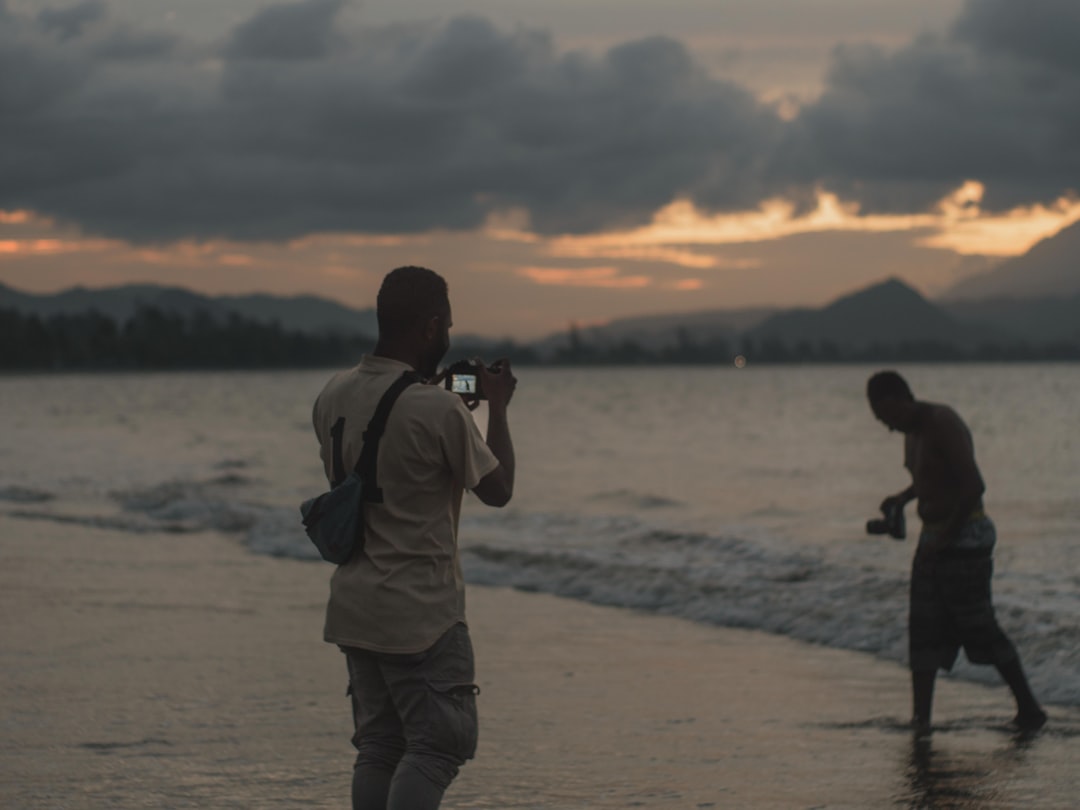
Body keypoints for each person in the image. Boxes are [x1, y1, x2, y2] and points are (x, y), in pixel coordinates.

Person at [311, 266, 516, 809]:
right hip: (421, 614)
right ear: (429, 327)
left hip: (356, 605)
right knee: (437, 746)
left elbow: (386, 460)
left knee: (379, 747)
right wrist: (497, 408)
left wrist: (443, 405)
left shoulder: (332, 394)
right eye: (446, 325)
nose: (449, 336)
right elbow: (498, 489)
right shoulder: (438, 408)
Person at [866, 370, 1046, 735]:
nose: (888, 427)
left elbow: (972, 485)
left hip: (965, 538)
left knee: (979, 626)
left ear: (901, 400)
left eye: (888, 416)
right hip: (933, 539)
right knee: (923, 627)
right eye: (881, 421)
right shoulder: (911, 433)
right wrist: (902, 498)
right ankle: (921, 720)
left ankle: (1030, 709)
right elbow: (929, 478)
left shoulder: (941, 422)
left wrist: (946, 538)